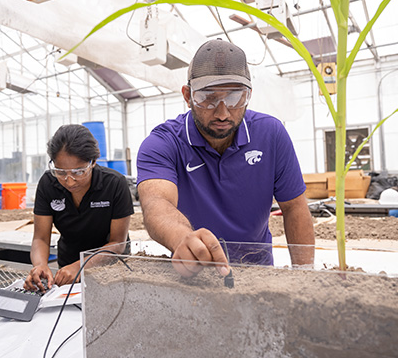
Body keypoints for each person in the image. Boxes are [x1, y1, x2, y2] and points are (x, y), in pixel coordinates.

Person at [136, 39, 315, 278]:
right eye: (208, 98)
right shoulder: (163, 143)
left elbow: (294, 207)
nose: (222, 112)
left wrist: (304, 276)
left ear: (248, 95)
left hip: (257, 271)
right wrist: (183, 238)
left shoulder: (271, 134)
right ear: (188, 96)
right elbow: (156, 203)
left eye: (234, 98)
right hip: (195, 271)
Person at [24, 124, 134, 291]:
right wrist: (40, 265)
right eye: (60, 172)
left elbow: (117, 242)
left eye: (78, 172)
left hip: (111, 265)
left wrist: (79, 267)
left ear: (93, 162)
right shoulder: (48, 184)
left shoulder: (114, 184)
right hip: (69, 262)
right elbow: (40, 238)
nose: (69, 181)